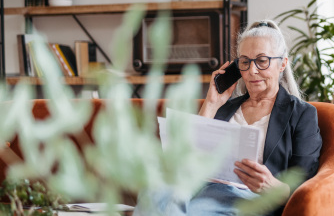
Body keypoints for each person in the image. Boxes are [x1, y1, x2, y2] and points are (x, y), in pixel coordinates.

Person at [134, 20, 322, 216]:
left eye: (262, 60)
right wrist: (212, 103)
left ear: (282, 63)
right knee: (153, 191)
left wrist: (272, 186)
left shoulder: (302, 114)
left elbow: (307, 183)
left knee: (194, 209)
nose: (252, 71)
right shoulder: (226, 108)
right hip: (204, 188)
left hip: (250, 199)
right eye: (245, 62)